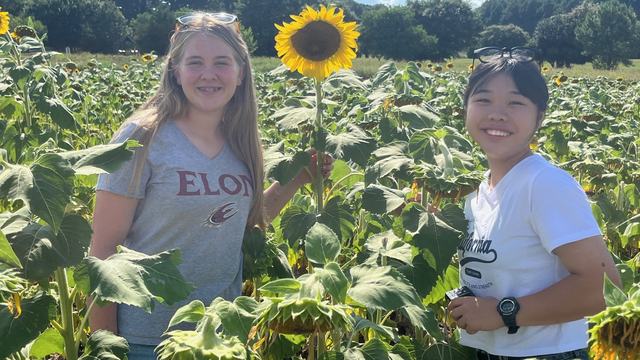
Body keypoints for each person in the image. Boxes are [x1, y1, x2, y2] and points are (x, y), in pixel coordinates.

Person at [89, 12, 332, 359]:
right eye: (195, 62)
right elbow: (103, 251)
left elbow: (242, 221)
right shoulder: (142, 137)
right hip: (146, 339)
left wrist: (298, 178)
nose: (208, 74)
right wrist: (105, 349)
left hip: (222, 337)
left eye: (222, 62)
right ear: (175, 70)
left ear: (241, 71)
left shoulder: (241, 141)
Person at [447, 50, 621, 360]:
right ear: (466, 109)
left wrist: (503, 313)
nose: (497, 114)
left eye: (515, 103)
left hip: (547, 353)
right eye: (483, 99)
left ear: (539, 117)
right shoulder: (482, 191)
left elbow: (604, 289)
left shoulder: (544, 184)